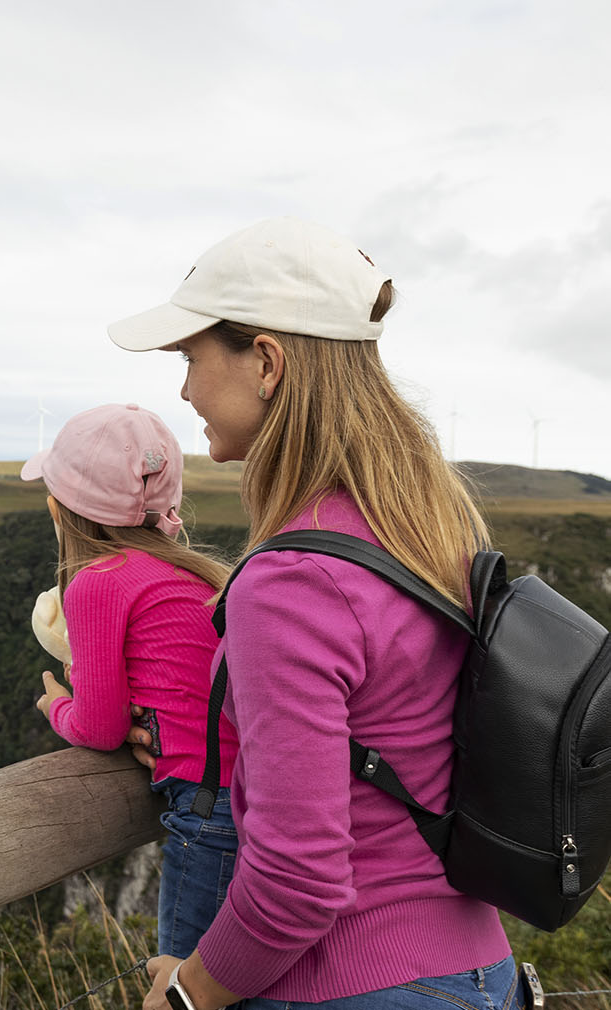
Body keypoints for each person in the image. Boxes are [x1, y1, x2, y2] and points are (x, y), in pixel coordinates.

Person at [107, 217, 517, 1010]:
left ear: (264, 362)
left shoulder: (293, 578)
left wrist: (187, 992)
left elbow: (297, 878)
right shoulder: (425, 526)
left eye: (191, 357)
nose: (183, 388)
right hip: (477, 970)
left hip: (353, 982)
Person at [22, 402, 238, 958]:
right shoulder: (195, 573)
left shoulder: (97, 582)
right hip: (261, 799)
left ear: (58, 510)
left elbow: (99, 725)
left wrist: (57, 707)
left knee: (183, 981)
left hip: (207, 809)